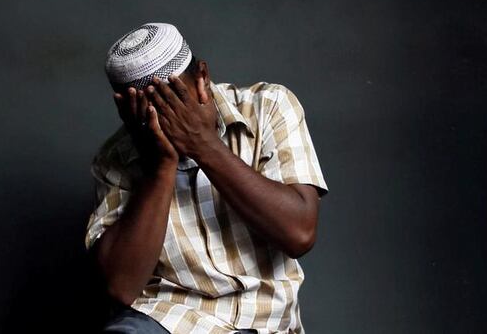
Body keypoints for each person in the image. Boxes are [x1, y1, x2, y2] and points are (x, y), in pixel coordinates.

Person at [84, 22, 329, 334]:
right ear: (128, 113)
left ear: (202, 77)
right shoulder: (116, 158)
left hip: (264, 322)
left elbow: (299, 233)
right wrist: (159, 166)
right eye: (153, 114)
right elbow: (120, 287)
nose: (168, 123)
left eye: (177, 103)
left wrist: (202, 144)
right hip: (166, 318)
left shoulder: (269, 107)